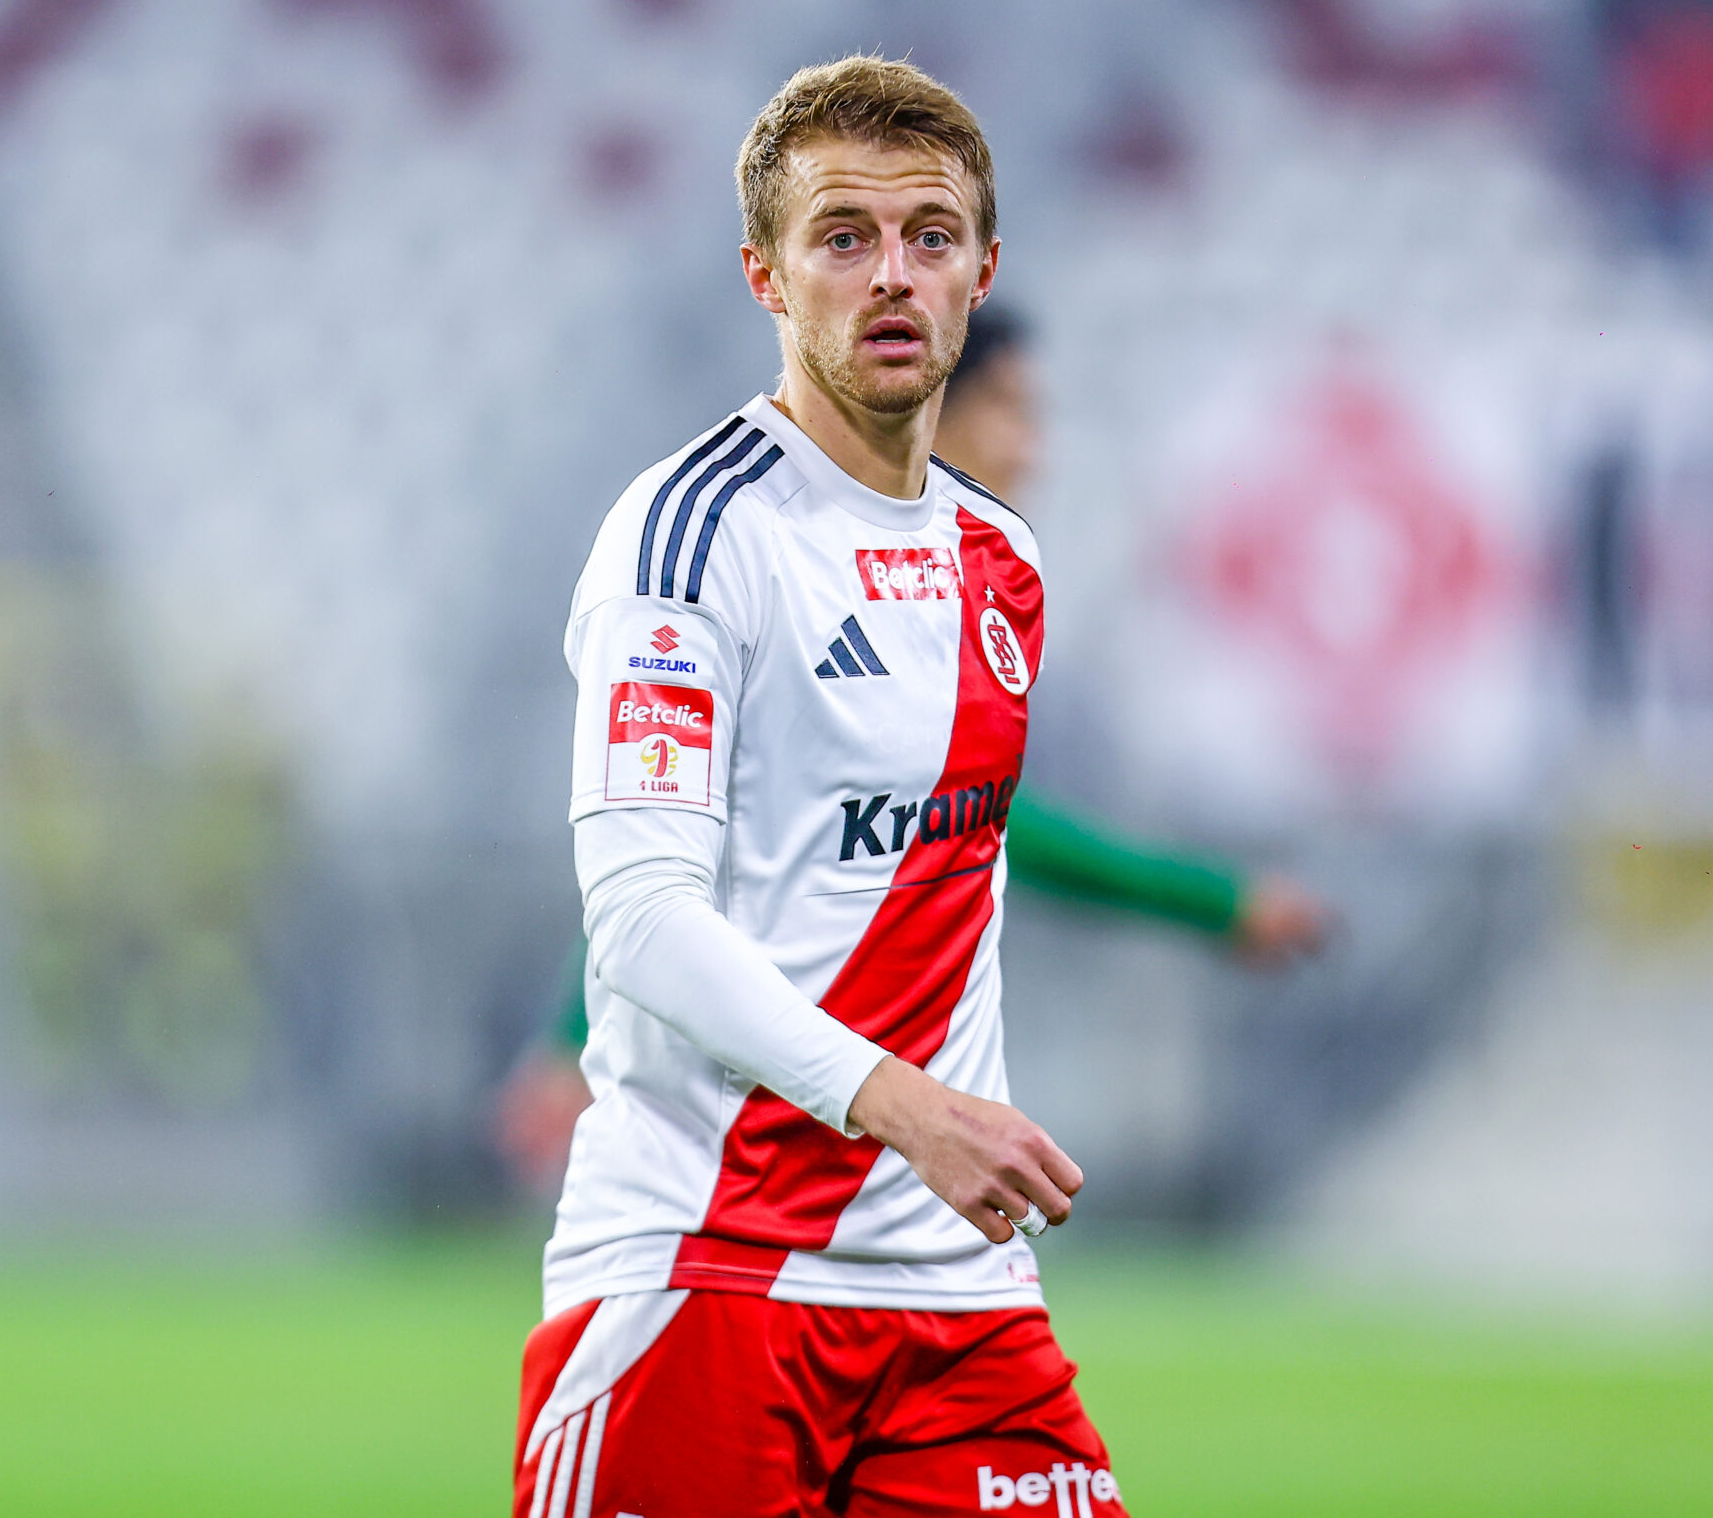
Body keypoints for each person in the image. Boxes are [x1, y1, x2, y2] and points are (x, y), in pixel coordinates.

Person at [506, 58, 1180, 1518]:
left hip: (955, 1295)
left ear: (982, 270)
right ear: (766, 272)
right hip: (704, 1267)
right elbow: (643, 916)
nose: (893, 273)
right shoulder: (690, 537)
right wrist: (907, 1106)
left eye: (931, 236)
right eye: (844, 236)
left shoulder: (1003, 560)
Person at [496, 312, 1330, 1193]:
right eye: (1011, 409)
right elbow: (668, 849)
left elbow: (963, 816)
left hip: (846, 1108)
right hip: (756, 1115)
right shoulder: (789, 565)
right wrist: (573, 1034)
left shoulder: (971, 571)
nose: (1034, 449)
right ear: (935, 404)